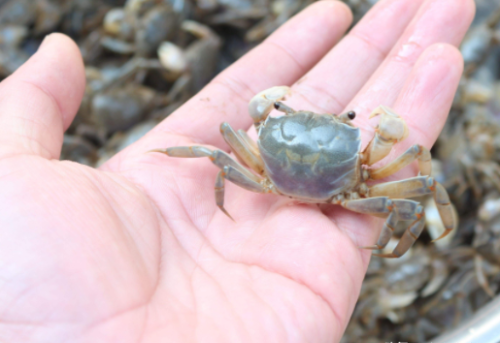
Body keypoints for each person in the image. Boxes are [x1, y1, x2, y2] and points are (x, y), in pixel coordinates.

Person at [0, 0, 475, 341]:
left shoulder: (263, 135)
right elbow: (415, 184)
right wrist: (393, 240)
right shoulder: (363, 149)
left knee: (216, 152)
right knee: (421, 185)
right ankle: (401, 244)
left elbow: (221, 148)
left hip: (272, 181)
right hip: (348, 193)